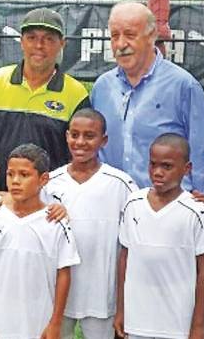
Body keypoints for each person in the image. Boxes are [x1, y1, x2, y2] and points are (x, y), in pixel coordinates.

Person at [91, 2, 204, 203]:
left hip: (167, 209)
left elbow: (202, 148)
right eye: (115, 36)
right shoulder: (102, 87)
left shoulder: (183, 85)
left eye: (130, 35)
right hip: (112, 207)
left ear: (152, 36)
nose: (121, 44)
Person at [0, 7, 90, 190]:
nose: (39, 45)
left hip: (52, 201)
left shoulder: (76, 93)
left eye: (48, 39)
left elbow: (80, 154)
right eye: (32, 38)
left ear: (61, 43)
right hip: (0, 197)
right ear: (22, 42)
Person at [43, 108, 138, 339]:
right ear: (66, 136)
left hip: (100, 293)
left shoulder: (120, 183)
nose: (80, 142)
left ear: (103, 140)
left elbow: (142, 219)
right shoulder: (51, 182)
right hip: (58, 293)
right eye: (74, 135)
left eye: (89, 136)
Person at [115, 133, 204, 339]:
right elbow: (125, 258)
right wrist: (122, 310)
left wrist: (197, 325)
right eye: (153, 164)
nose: (158, 172)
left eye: (167, 166)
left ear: (186, 169)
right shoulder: (133, 203)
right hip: (137, 320)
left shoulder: (196, 211)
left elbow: (203, 271)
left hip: (177, 323)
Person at [0, 144, 81, 339]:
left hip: (38, 320)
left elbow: (64, 274)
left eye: (24, 175)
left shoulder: (56, 223)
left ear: (43, 179)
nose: (15, 181)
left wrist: (55, 322)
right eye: (10, 174)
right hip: (1, 321)